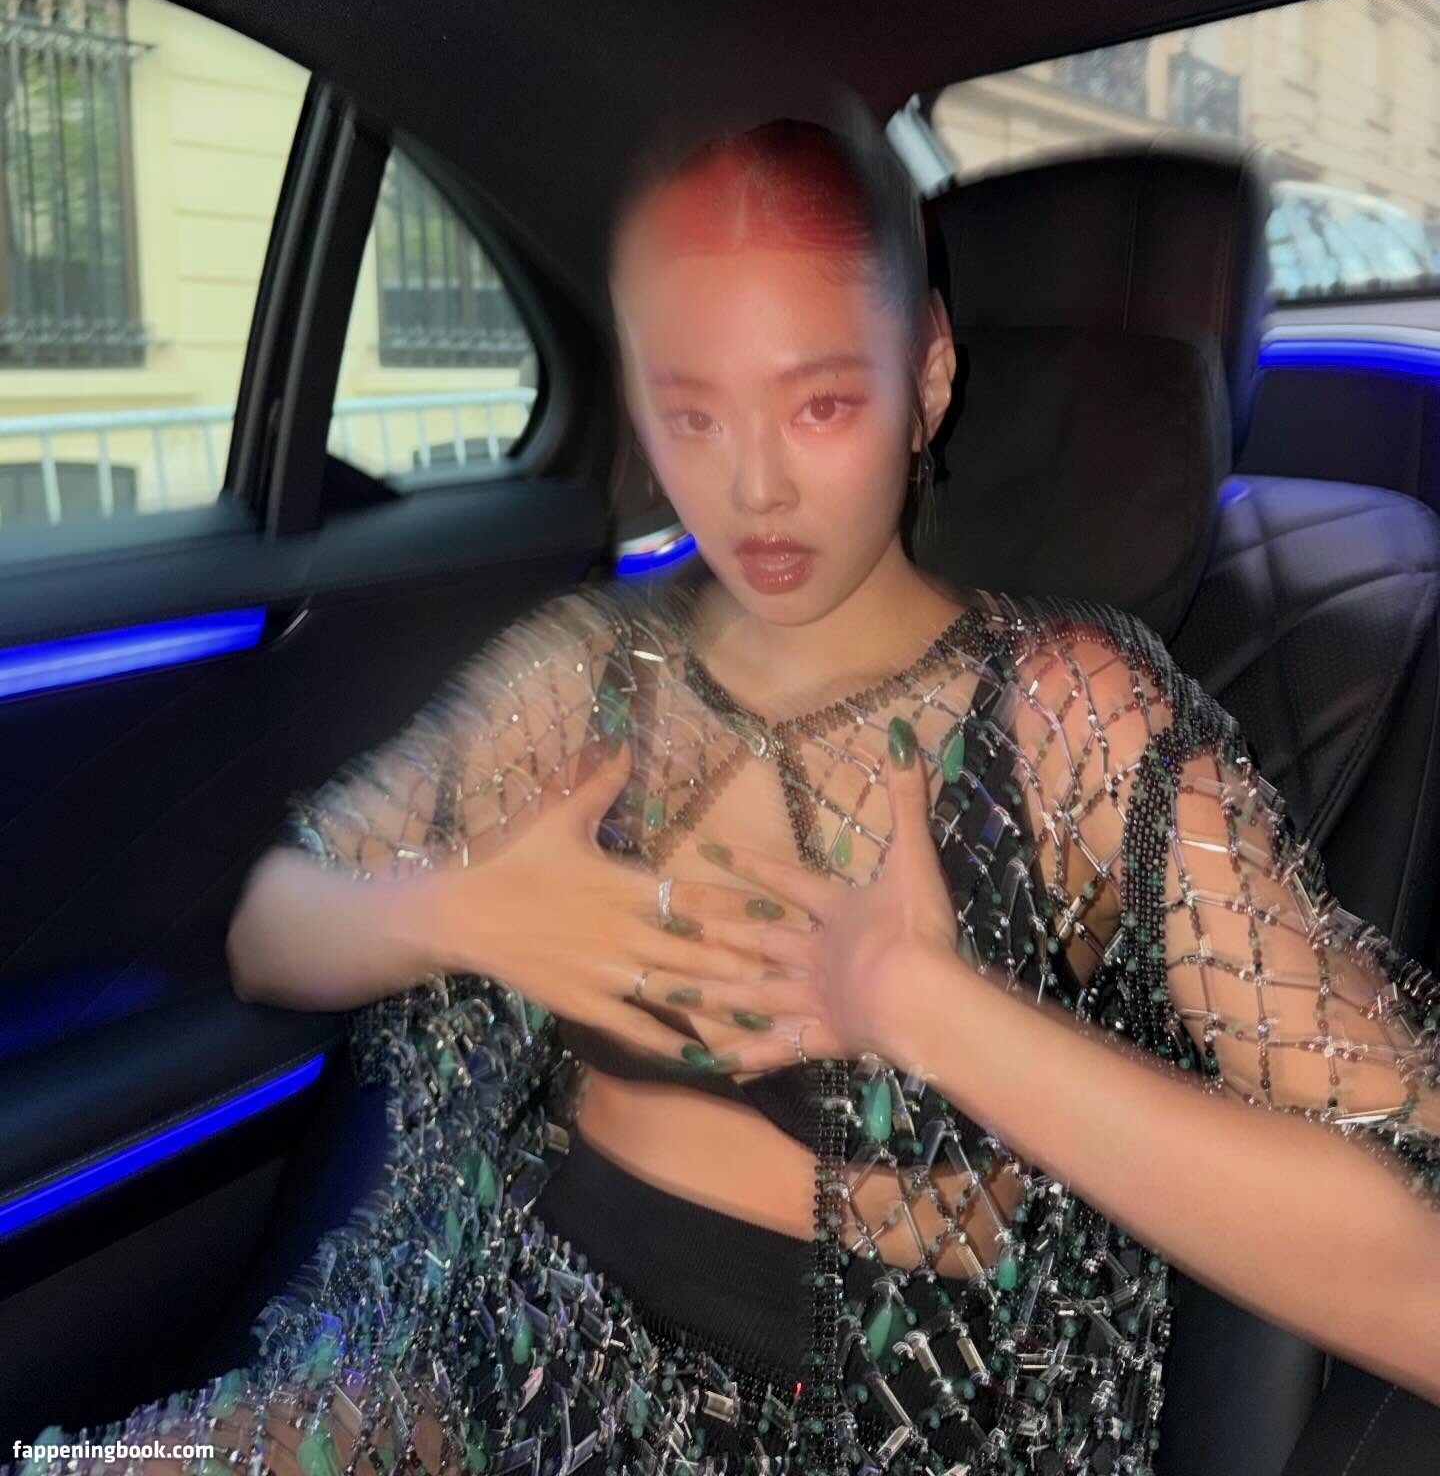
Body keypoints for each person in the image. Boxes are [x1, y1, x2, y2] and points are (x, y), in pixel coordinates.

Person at [13, 107, 1440, 1476]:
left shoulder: (1071, 720)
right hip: (477, 1368)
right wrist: (457, 911)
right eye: (690, 413)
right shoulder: (589, 673)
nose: (752, 488)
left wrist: (933, 1013)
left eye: (821, 403)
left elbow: (1418, 1280)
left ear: (930, 375)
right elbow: (275, 927)